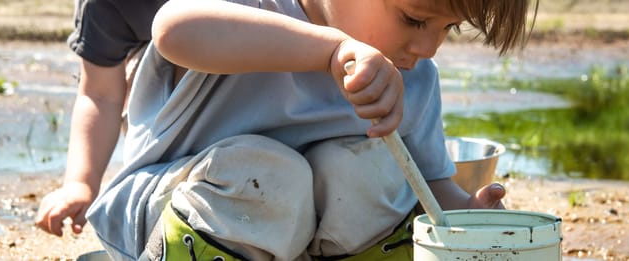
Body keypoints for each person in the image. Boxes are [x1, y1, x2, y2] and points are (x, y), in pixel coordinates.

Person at [52, 0, 533, 259]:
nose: (428, 48)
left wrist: (471, 215)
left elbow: (429, 186)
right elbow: (173, 27)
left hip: (298, 241)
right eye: (413, 19)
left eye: (447, 28)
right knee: (271, 175)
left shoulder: (412, 80)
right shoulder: (255, 12)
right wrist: (329, 52)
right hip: (171, 217)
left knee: (372, 173)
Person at [34, 0, 167, 237]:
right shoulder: (105, 6)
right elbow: (100, 95)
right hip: (168, 99)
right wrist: (81, 182)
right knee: (158, 54)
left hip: (250, 77)